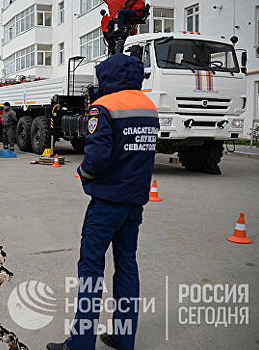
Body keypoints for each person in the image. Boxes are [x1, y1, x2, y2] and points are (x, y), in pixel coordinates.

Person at [46, 54, 160, 350]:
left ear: (110, 77)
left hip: (107, 203)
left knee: (91, 270)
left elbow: (96, 159)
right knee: (126, 265)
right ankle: (124, 337)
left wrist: (82, 172)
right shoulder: (149, 107)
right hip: (135, 202)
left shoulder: (105, 107)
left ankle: (81, 343)